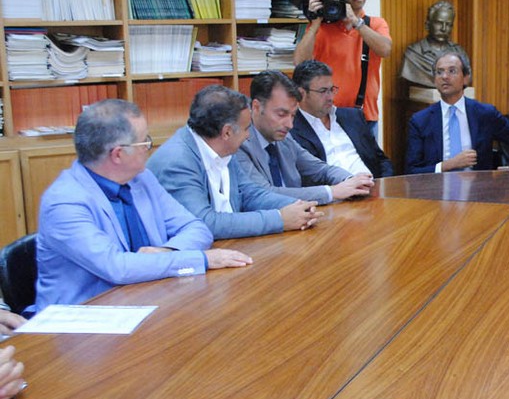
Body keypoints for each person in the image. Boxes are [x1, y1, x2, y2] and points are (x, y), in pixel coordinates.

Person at [35, 99, 252, 309]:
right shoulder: (64, 203)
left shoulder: (142, 179)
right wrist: (200, 259)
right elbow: (117, 268)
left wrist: (167, 251)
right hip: (84, 319)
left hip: (149, 300)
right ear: (118, 154)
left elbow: (196, 228)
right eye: (144, 142)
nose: (150, 147)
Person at [148, 85, 320, 240]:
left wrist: (296, 207)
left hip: (229, 246)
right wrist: (280, 219)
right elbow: (204, 223)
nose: (248, 135)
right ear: (227, 132)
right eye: (246, 129)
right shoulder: (177, 161)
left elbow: (250, 193)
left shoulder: (223, 147)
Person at [235, 70, 374, 203]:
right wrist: (331, 192)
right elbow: (264, 194)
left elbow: (321, 170)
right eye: (281, 114)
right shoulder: (238, 143)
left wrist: (350, 180)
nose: (289, 125)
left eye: (293, 115)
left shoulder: (285, 139)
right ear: (256, 107)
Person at [292, 0, 391, 135]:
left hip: (364, 116)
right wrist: (314, 24)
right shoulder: (323, 28)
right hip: (325, 116)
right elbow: (299, 63)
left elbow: (385, 50)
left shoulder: (375, 24)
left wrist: (357, 22)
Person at [406, 51, 509, 174]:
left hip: (478, 185)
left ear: (466, 78)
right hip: (436, 185)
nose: (444, 76)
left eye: (452, 71)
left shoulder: (485, 114)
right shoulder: (420, 121)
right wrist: (447, 165)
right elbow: (411, 171)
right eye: (439, 72)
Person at [290, 60, 393, 178]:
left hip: (372, 183)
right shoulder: (291, 129)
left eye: (331, 89)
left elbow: (382, 161)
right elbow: (306, 177)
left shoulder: (353, 117)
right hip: (336, 187)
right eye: (323, 91)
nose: (330, 97)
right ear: (301, 93)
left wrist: (383, 183)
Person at [400, 0, 468, 89]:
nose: (443, 29)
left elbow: (466, 77)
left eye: (448, 24)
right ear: (427, 25)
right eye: (439, 23)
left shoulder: (460, 52)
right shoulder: (413, 54)